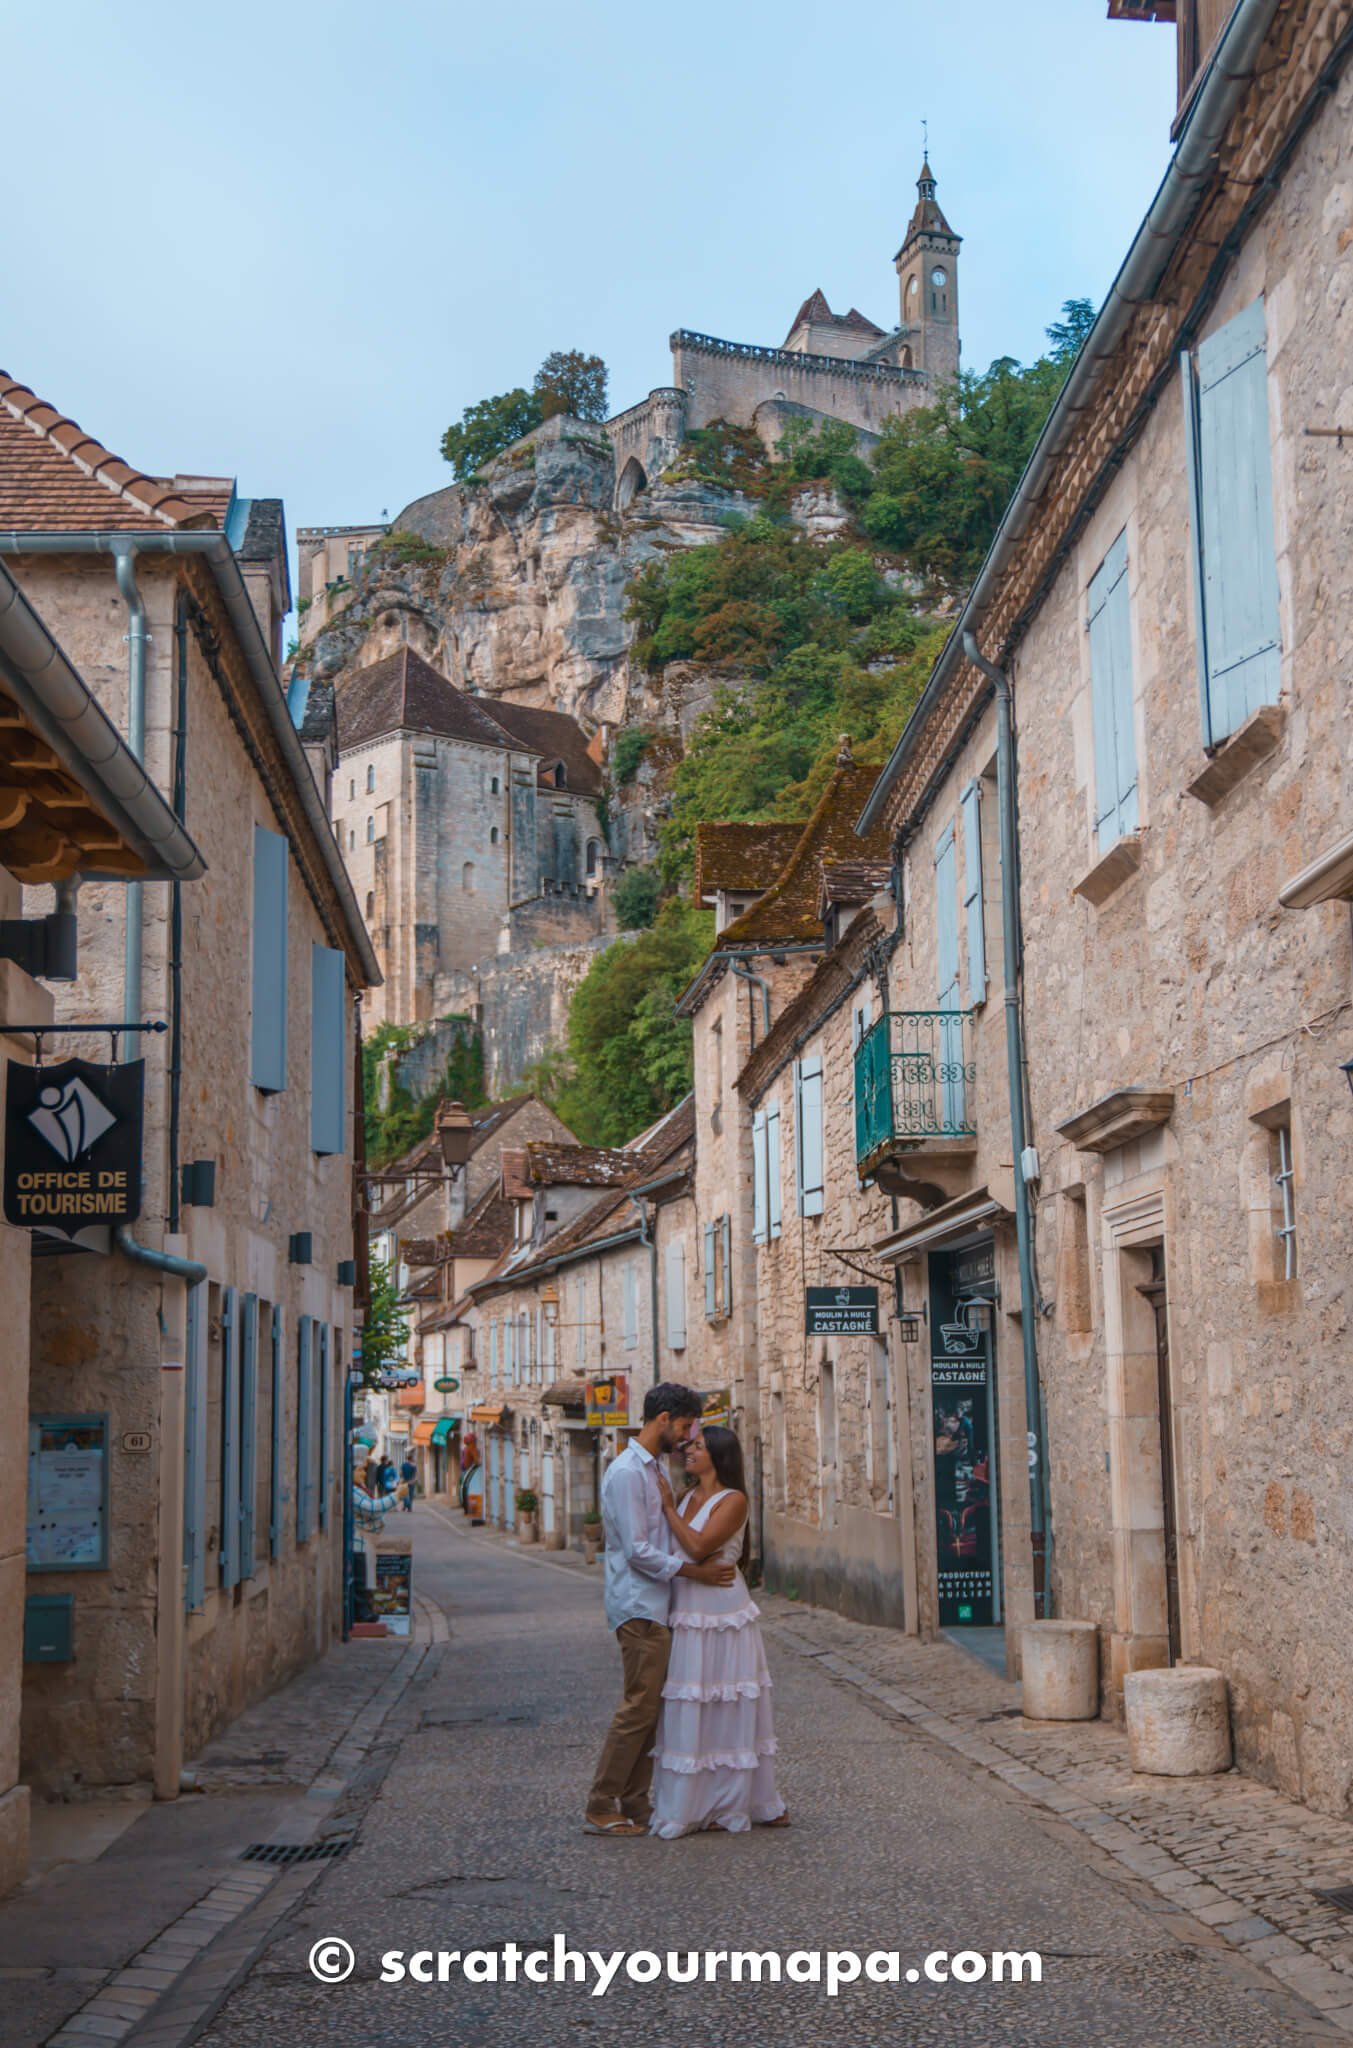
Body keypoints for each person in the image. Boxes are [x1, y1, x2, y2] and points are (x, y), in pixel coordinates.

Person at [584, 1384, 737, 1838]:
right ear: (665, 1418)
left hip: (656, 1603)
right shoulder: (629, 1473)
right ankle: (601, 1803)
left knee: (650, 1710)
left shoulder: (652, 1471)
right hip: (639, 1604)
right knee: (637, 1709)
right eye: (687, 1426)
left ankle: (634, 1801)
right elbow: (637, 1551)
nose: (689, 1437)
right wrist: (695, 1572)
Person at [649, 1423, 787, 1837]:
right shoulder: (690, 1497)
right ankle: (694, 1801)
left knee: (728, 1703)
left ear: (718, 1456)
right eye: (690, 1444)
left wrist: (668, 1508)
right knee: (693, 1703)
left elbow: (697, 1545)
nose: (689, 1450)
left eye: (699, 1446)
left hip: (723, 1614)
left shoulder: (734, 1500)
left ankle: (739, 1799)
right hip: (690, 1610)